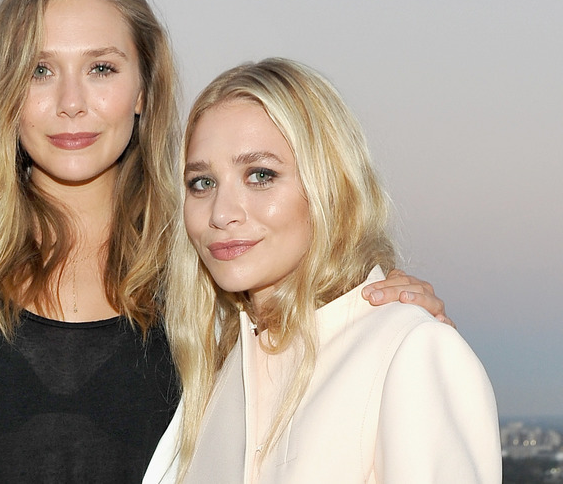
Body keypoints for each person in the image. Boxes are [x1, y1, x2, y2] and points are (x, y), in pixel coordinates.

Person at [0, 0, 448, 483]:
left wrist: (391, 317)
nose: (71, 102)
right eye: (40, 70)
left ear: (143, 90)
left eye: (101, 68)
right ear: (5, 92)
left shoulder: (211, 262)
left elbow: (326, 367)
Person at [174, 58, 500, 482]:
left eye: (260, 175)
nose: (222, 213)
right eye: (202, 182)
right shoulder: (210, 371)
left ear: (329, 186)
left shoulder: (408, 351)